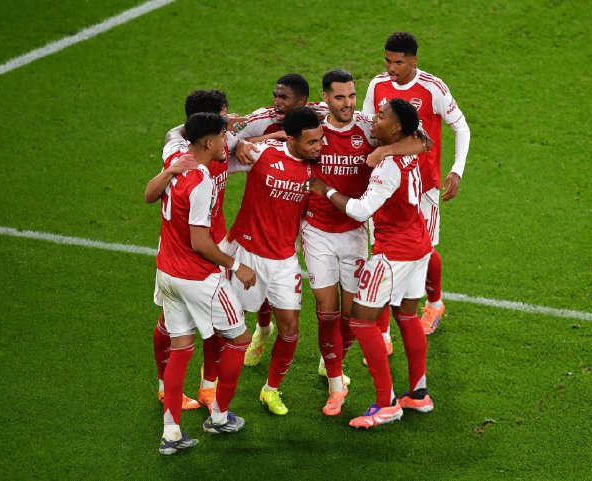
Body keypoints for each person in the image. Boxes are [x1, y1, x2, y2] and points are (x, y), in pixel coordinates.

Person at [306, 69, 430, 416]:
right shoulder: (317, 122)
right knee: (406, 315)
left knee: (359, 320)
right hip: (417, 244)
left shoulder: (383, 154)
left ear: (395, 129)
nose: (358, 108)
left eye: (381, 115)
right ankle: (418, 393)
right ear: (326, 97)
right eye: (340, 97)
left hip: (390, 248)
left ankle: (386, 403)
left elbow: (361, 210)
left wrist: (326, 190)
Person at [146, 90, 255, 413]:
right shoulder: (181, 153)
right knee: (173, 324)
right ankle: (168, 389)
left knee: (217, 324)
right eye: (223, 117)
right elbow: (175, 137)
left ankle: (208, 387)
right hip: (186, 248)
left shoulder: (217, 144)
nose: (228, 123)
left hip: (214, 240)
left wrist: (241, 141)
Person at [363, 32, 470, 335]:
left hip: (422, 186)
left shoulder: (432, 88)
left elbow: (461, 127)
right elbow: (369, 128)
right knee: (382, 249)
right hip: (385, 185)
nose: (391, 68)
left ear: (413, 60)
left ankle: (434, 303)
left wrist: (457, 170)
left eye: (398, 62)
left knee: (424, 250)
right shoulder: (377, 85)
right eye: (387, 60)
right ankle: (383, 330)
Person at [227, 106, 322, 415]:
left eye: (320, 140)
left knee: (291, 327)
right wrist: (240, 143)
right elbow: (219, 152)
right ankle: (211, 381)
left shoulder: (316, 167)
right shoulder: (263, 153)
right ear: (290, 139)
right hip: (247, 253)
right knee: (228, 325)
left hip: (284, 259)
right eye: (311, 142)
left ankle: (270, 389)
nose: (318, 147)